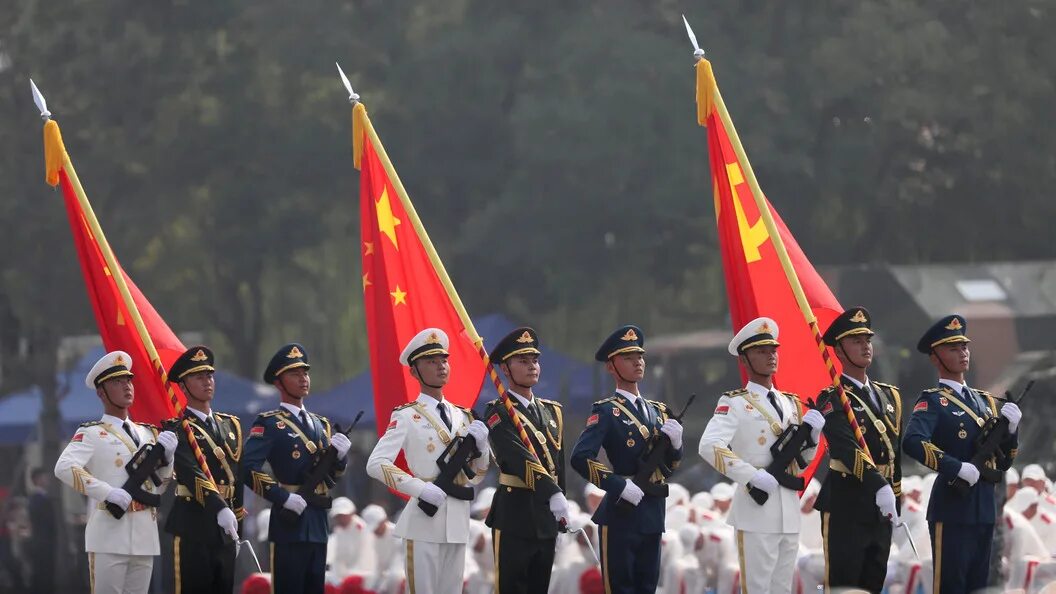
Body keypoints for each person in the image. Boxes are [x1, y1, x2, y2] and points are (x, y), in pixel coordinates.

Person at [698, 318, 824, 594]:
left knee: (782, 589)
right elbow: (709, 446)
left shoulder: (792, 403)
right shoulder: (734, 403)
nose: (770, 356)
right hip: (756, 510)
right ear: (744, 360)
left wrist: (813, 437)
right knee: (757, 589)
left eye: (773, 350)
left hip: (789, 508)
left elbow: (801, 464)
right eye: (761, 351)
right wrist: (751, 475)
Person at [365, 328, 491, 594]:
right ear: (414, 372)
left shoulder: (464, 416)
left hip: (457, 519)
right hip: (423, 521)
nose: (440, 367)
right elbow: (375, 463)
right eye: (431, 362)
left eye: (443, 360)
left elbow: (477, 475)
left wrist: (482, 448)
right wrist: (420, 489)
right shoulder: (407, 416)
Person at [903, 314, 1021, 593]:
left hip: (984, 509)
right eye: (953, 349)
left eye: (964, 347)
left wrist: (1013, 430)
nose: (963, 353)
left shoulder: (986, 402)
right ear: (936, 358)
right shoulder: (933, 400)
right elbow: (913, 441)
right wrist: (955, 467)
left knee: (978, 587)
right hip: (953, 508)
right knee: (951, 586)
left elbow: (1005, 460)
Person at [570, 324, 684, 594]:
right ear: (611, 367)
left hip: (653, 510)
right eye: (628, 358)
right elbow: (580, 457)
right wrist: (618, 485)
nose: (638, 363)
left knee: (647, 587)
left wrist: (677, 446)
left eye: (640, 357)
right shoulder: (607, 411)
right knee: (621, 587)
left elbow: (670, 467)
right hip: (621, 513)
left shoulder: (659, 411)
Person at [53, 350, 177, 594]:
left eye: (128, 380)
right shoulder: (91, 433)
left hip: (144, 533)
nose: (126, 386)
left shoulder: (148, 434)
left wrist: (168, 459)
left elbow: (159, 486)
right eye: (117, 382)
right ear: (101, 393)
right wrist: (107, 492)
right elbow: (64, 467)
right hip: (109, 533)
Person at [241, 343, 352, 594]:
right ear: (279, 383)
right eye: (295, 374)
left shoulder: (320, 424)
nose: (303, 379)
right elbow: (247, 467)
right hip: (289, 523)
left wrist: (341, 457)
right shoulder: (269, 423)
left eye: (305, 373)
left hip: (318, 521)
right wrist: (282, 497)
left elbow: (333, 474)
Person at [814, 307, 903, 593]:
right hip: (846, 502)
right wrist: (879, 486)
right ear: (838, 351)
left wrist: (895, 494)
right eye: (856, 341)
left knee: (873, 583)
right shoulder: (832, 397)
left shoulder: (890, 396)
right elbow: (844, 446)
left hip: (881, 506)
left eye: (867, 340)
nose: (865, 346)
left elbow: (894, 452)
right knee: (846, 586)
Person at [482, 327, 569, 594]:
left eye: (534, 360)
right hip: (515, 515)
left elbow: (558, 464)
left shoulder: (552, 411)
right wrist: (553, 492)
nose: (532, 366)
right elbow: (517, 457)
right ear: (505, 370)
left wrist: (561, 499)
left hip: (545, 517)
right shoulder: (497, 412)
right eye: (523, 361)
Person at [163, 346, 245, 594]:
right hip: (194, 522)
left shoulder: (231, 425)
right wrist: (219, 508)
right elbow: (189, 470)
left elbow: (237, 474)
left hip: (225, 527)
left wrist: (236, 516)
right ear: (184, 387)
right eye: (198, 377)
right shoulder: (177, 427)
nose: (207, 381)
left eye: (209, 375)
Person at [26, 468, 56, 594]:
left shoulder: (42, 498)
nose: (47, 479)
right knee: (43, 574)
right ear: (37, 480)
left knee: (45, 573)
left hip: (45, 542)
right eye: (44, 477)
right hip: (42, 542)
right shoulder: (37, 499)